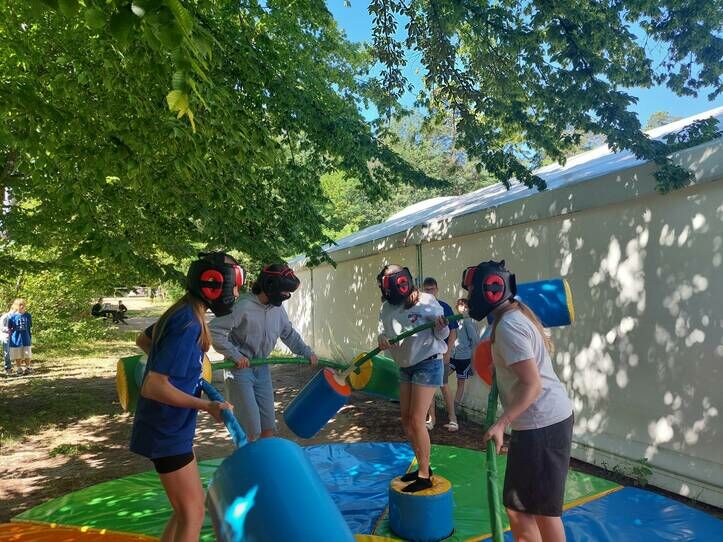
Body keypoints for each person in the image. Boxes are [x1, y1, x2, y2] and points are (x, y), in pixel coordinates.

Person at [130, 252, 242, 542]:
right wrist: (207, 405)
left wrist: (180, 370)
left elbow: (144, 340)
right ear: (214, 286)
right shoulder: (188, 323)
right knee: (192, 513)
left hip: (169, 427)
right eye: (234, 285)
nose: (236, 293)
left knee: (187, 510)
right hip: (165, 430)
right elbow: (153, 387)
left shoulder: (183, 312)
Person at [463, 260, 573, 542]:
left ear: (490, 291)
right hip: (540, 422)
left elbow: (532, 384)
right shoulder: (511, 316)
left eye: (471, 290)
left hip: (543, 424)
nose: (468, 297)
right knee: (520, 507)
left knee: (539, 511)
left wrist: (502, 423)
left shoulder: (509, 326)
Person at [209, 263, 318, 442]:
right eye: (284, 291)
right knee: (250, 427)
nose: (287, 295)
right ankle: (249, 458)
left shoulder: (277, 309)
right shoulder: (243, 306)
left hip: (262, 368)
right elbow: (214, 331)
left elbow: (288, 334)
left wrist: (306, 352)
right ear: (270, 286)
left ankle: (265, 457)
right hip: (239, 370)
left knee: (268, 425)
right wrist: (235, 355)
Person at [377, 265, 449, 493]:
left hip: (428, 362)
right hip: (405, 366)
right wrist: (382, 338)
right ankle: (422, 467)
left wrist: (442, 327)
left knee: (418, 420)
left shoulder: (427, 301)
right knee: (407, 421)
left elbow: (443, 334)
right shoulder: (386, 308)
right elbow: (383, 331)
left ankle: (424, 475)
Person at [421, 277, 459, 432]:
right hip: (425, 355)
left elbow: (453, 333)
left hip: (441, 354)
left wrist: (447, 353)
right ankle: (432, 418)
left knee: (444, 385)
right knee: (428, 388)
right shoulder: (420, 309)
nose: (430, 292)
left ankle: (453, 419)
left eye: (432, 289)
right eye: (427, 289)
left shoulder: (444, 307)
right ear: (423, 290)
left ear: (437, 289)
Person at [449, 298, 479, 410]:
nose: (464, 308)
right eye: (461, 306)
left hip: (464, 358)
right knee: (442, 377)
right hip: (453, 356)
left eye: (466, 307)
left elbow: (475, 340)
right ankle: (449, 404)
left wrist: (472, 360)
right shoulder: (454, 319)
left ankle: (454, 407)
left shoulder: (467, 321)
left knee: (460, 382)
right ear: (457, 307)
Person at [7, 298, 32, 376]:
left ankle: (28, 367)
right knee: (17, 355)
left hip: (26, 338)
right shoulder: (12, 317)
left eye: (23, 305)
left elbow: (29, 326)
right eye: (20, 305)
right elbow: (9, 328)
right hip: (16, 339)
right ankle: (19, 369)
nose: (21, 306)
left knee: (27, 354)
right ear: (16, 306)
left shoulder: (28, 315)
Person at [1, 308, 12, 376]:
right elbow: (1, 327)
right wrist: (9, 330)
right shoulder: (5, 316)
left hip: (14, 336)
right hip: (5, 336)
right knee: (7, 352)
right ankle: (8, 368)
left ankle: (19, 367)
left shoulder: (15, 316)